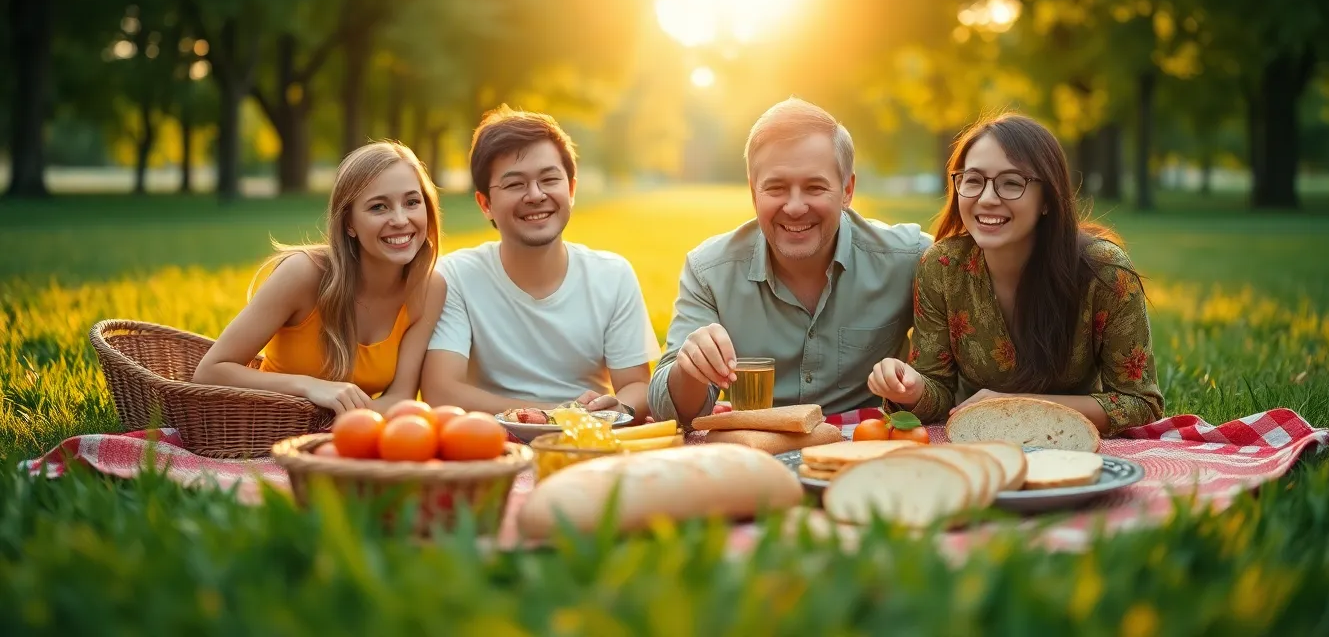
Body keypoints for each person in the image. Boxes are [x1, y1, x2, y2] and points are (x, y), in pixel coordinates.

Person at [866, 114, 1164, 435]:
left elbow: (1140, 404)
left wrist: (1012, 403)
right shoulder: (942, 266)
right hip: (980, 441)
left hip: (1069, 441)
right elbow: (937, 391)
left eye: (1012, 183)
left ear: (1047, 199)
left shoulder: (1105, 273)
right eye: (974, 180)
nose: (987, 199)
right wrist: (911, 390)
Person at [647, 97, 933, 424]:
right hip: (756, 448)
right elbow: (667, 411)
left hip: (866, 448)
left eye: (814, 187)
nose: (795, 207)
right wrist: (691, 367)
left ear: (847, 190)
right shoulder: (709, 271)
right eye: (777, 188)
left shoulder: (911, 259)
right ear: (754, 191)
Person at [420, 105, 660, 419]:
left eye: (549, 179)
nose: (535, 195)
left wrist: (619, 408)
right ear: (485, 204)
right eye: (515, 184)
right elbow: (441, 393)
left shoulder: (612, 275)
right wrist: (558, 414)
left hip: (583, 443)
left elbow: (637, 386)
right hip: (490, 444)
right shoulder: (455, 277)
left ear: (571, 190)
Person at [194, 141, 446, 414]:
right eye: (378, 207)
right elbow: (210, 372)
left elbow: (400, 397)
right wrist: (309, 387)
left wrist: (348, 431)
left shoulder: (429, 288)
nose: (400, 219)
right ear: (349, 223)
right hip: (261, 430)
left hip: (343, 442)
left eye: (412, 202)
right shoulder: (303, 273)